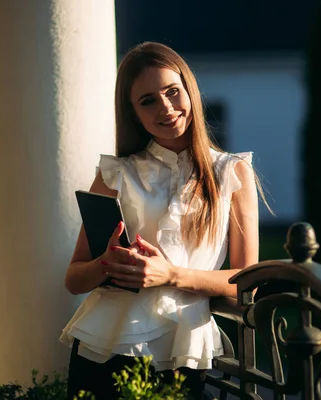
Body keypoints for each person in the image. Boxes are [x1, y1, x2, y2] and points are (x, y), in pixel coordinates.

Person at [60, 41, 267, 400]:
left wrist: (170, 275)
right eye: (148, 101)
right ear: (133, 113)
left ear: (190, 90)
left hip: (183, 350)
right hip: (105, 348)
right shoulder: (115, 174)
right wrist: (108, 263)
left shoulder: (232, 173)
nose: (166, 108)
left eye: (173, 91)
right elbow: (75, 279)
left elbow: (245, 285)